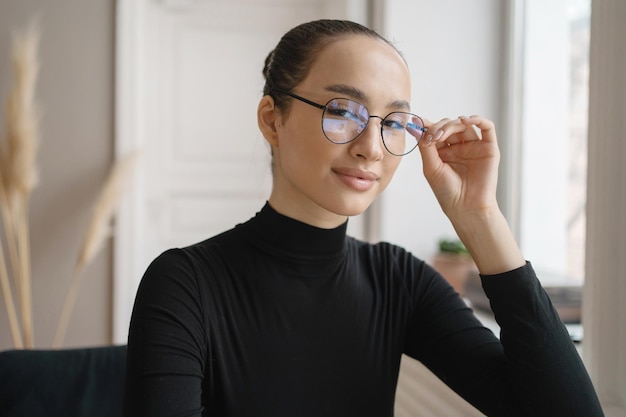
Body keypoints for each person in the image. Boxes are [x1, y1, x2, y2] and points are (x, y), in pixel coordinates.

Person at [123, 19, 603, 417]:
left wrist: (479, 216)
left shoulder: (399, 282)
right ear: (273, 119)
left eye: (393, 122)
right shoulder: (184, 284)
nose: (371, 147)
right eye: (343, 111)